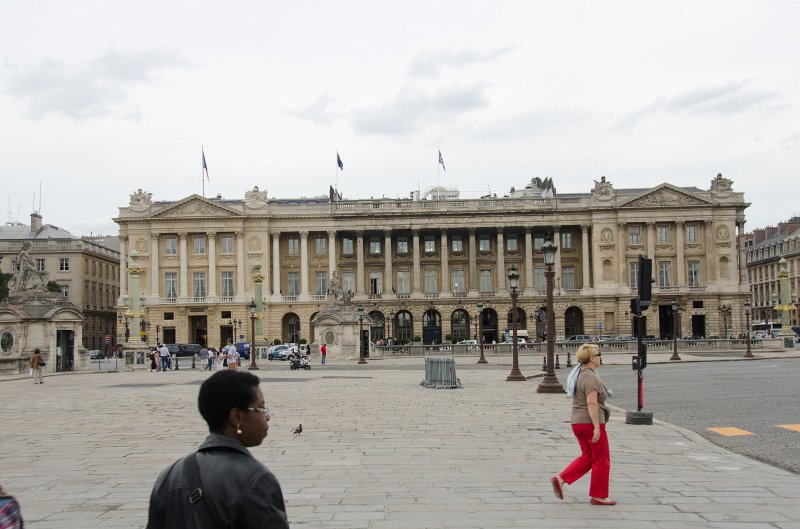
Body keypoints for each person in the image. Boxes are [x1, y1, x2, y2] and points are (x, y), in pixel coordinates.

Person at [146, 370, 289, 528]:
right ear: (237, 417)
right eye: (261, 409)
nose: (267, 416)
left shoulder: (169, 475)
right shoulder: (257, 479)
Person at [551, 343, 615, 505]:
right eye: (599, 354)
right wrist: (596, 427)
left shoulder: (582, 373)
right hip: (589, 422)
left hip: (577, 422)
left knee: (588, 457)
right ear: (592, 358)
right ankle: (599, 495)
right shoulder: (589, 376)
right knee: (601, 459)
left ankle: (560, 479)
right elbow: (592, 403)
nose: (601, 357)